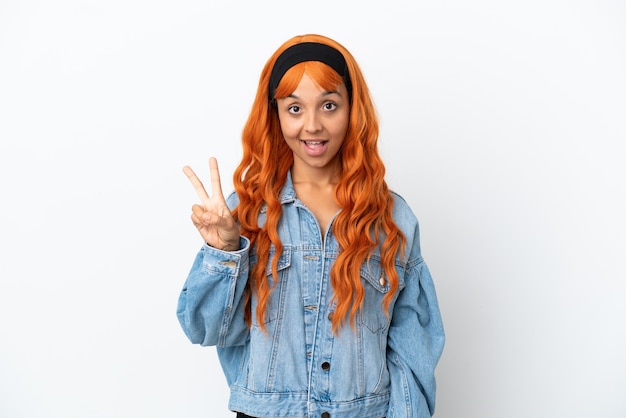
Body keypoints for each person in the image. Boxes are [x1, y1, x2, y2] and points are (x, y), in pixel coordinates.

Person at [177, 34, 445, 418]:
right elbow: (205, 330)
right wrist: (224, 253)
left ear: (352, 110)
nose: (313, 125)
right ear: (276, 114)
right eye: (295, 108)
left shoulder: (392, 219)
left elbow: (412, 351)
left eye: (329, 105)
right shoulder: (245, 213)